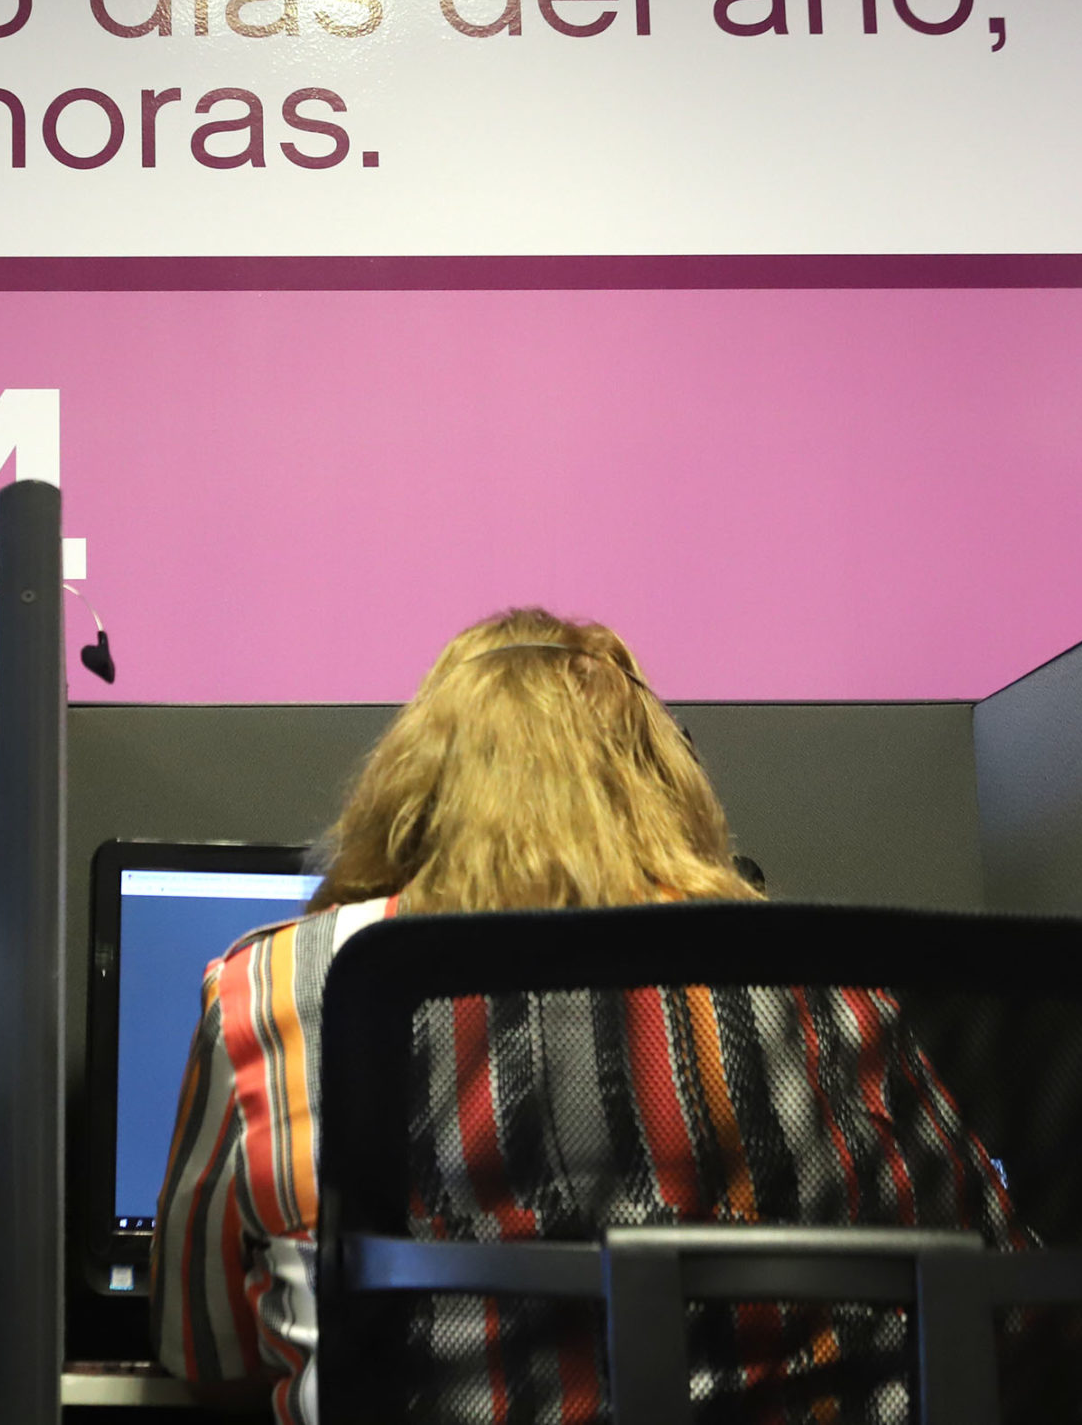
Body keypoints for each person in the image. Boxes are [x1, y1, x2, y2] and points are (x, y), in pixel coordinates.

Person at [149, 608, 1021, 1425]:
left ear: (410, 784)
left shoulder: (272, 987)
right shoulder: (816, 983)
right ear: (664, 781)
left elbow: (205, 1349)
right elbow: (1001, 1279)